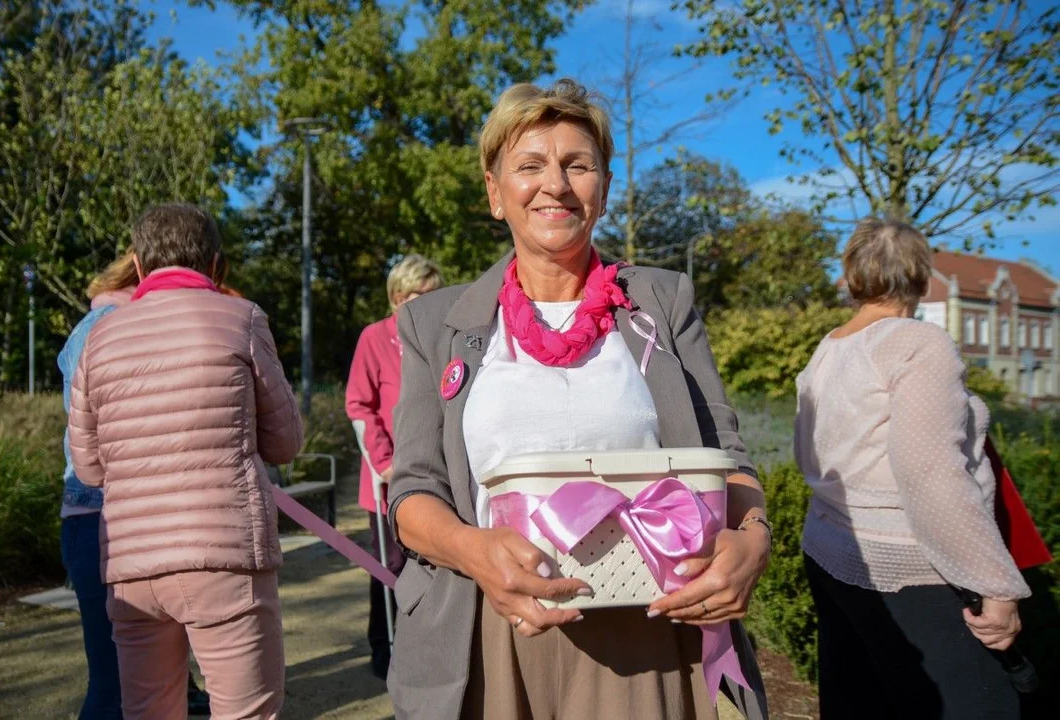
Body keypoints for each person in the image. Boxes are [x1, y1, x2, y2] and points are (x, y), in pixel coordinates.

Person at [385, 79, 770, 720]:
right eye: (529, 166)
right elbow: (412, 492)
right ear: (494, 193)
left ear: (605, 188)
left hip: (652, 630)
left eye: (578, 165)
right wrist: (472, 550)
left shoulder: (663, 302)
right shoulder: (435, 323)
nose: (556, 185)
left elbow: (727, 455)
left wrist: (752, 538)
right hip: (494, 631)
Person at [68, 204, 303, 720]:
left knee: (148, 711)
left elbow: (87, 467)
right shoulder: (242, 319)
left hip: (132, 564)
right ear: (216, 265)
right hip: (225, 554)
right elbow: (285, 442)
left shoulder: (99, 337)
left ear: (138, 263)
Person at [794, 217, 1031, 719]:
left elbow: (809, 455)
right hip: (909, 565)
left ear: (851, 276)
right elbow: (931, 472)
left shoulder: (828, 349)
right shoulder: (919, 344)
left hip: (829, 549)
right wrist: (997, 585)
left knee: (862, 700)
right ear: (923, 281)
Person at [57, 254, 212, 718]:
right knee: (114, 688)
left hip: (107, 516)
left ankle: (185, 691)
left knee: (140, 679)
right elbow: (106, 436)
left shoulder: (105, 323)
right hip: (111, 518)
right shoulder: (113, 326)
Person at [345, 253, 444, 680]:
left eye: (434, 296)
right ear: (398, 298)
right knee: (389, 565)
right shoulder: (375, 338)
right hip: (387, 479)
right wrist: (384, 462)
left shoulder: (441, 337)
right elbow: (360, 405)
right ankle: (383, 648)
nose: (429, 304)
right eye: (420, 296)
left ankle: (427, 644)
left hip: (435, 475)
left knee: (437, 560)